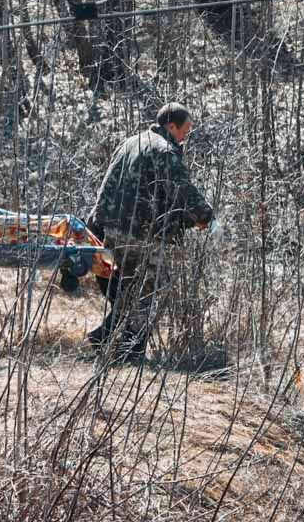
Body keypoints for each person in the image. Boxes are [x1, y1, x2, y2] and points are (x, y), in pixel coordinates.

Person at [86, 102, 214, 361]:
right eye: (185, 129)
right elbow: (182, 192)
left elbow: (106, 185)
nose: (187, 134)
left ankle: (108, 339)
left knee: (128, 291)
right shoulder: (164, 151)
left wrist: (95, 223)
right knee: (151, 294)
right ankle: (126, 350)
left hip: (114, 231)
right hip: (145, 236)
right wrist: (206, 217)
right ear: (171, 126)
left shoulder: (129, 143)